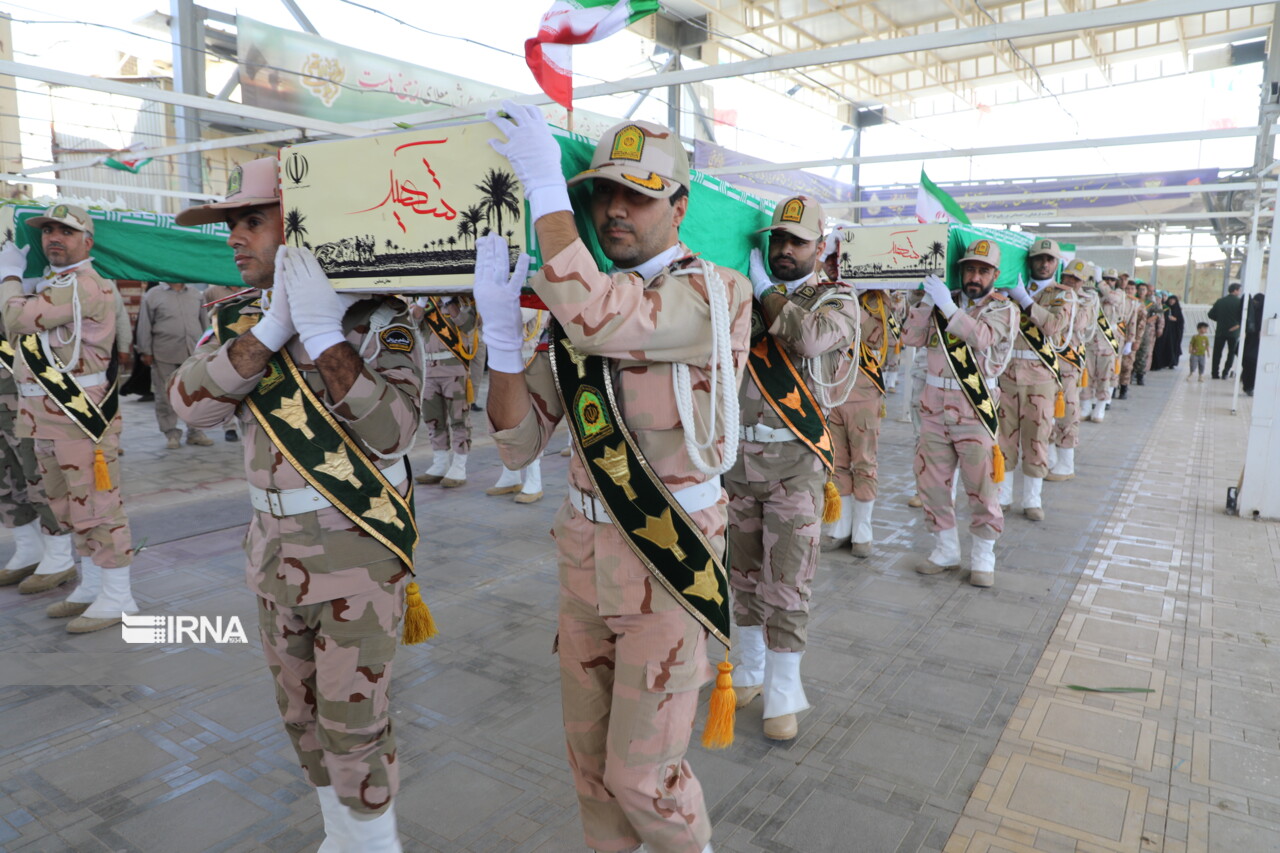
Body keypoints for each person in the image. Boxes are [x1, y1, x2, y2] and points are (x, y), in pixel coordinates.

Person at [478, 103, 750, 853]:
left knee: (644, 775)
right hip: (583, 562)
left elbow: (604, 320)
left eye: (640, 194)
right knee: (591, 768)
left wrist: (545, 192)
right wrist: (503, 342)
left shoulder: (714, 294)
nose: (615, 209)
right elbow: (517, 441)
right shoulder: (574, 305)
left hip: (668, 560)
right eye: (602, 193)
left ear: (681, 206)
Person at [170, 158, 423, 851]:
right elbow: (188, 405)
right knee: (302, 718)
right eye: (231, 224)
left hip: (356, 559)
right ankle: (341, 835)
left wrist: (323, 334)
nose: (234, 237)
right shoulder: (236, 319)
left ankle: (376, 843)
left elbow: (394, 431)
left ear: (304, 221)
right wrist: (275, 326)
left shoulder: (378, 319)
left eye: (252, 220)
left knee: (354, 723)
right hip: (272, 557)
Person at [730, 197, 859, 741]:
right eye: (776, 240)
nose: (783, 249)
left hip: (797, 462)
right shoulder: (741, 292)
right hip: (736, 457)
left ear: (820, 247)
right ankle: (750, 670)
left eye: (797, 241)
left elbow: (807, 338)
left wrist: (764, 289)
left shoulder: (839, 300)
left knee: (788, 580)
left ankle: (784, 693)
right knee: (742, 574)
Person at [0, 204, 136, 633]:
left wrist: (8, 275)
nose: (53, 237)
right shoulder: (56, 284)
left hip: (80, 417)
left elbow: (14, 317)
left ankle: (118, 595)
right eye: (48, 231)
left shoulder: (85, 285)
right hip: (45, 417)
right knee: (65, 505)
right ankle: (93, 583)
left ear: (87, 241)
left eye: (66, 231)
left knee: (97, 505)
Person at [902, 240, 1016, 587]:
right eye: (969, 268)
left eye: (983, 270)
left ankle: (983, 555)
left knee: (981, 485)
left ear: (995, 275)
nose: (975, 276)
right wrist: (924, 300)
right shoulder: (940, 300)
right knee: (932, 482)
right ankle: (945, 549)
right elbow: (910, 337)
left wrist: (949, 307)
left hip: (974, 408)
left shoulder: (1003, 309)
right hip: (934, 406)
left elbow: (981, 338)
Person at [995, 238, 1072, 522]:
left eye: (1049, 259)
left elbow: (1053, 326)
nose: (1043, 263)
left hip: (1040, 378)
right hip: (1007, 375)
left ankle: (1032, 499)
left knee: (1037, 438)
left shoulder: (1063, 295)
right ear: (1030, 262)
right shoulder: (1008, 290)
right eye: (1038, 258)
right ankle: (1003, 495)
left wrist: (1024, 299)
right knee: (1004, 437)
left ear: (1056, 264)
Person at [0, 310, 77, 592]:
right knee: (4, 481)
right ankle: (28, 548)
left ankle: (58, 556)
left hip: (22, 395)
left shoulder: (19, 280)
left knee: (37, 477)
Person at [135, 281, 212, 449]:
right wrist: (145, 351)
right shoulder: (153, 295)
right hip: (164, 352)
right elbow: (144, 324)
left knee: (195, 394)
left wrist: (209, 347)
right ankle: (171, 433)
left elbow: (205, 323)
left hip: (193, 353)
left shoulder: (196, 294)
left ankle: (196, 431)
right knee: (165, 395)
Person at [409, 295, 476, 487]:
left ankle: (459, 466)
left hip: (454, 368)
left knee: (459, 418)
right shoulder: (421, 302)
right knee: (433, 419)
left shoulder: (463, 301)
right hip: (428, 369)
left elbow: (467, 325)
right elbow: (413, 320)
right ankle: (440, 463)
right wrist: (422, 301)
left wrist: (449, 301)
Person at [1046, 259, 1097, 482]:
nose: (1070, 281)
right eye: (1067, 277)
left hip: (1068, 363)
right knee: (1045, 413)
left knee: (1067, 411)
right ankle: (1049, 458)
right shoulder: (1052, 293)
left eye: (1076, 279)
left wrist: (1068, 300)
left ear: (1083, 282)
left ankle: (1066, 464)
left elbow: (1076, 325)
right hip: (1048, 361)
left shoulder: (1086, 301)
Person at [199, 283, 248, 441]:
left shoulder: (252, 288)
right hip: (223, 347)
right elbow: (206, 319)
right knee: (227, 386)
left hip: (248, 345)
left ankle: (248, 424)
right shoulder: (212, 292)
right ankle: (230, 427)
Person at [1084, 269, 1124, 423]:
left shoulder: (1119, 293)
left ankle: (1100, 406)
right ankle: (1086, 406)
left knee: (1105, 376)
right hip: (1090, 341)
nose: (1109, 282)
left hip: (1107, 342)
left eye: (1112, 280)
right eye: (1106, 278)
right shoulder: (1094, 294)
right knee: (1087, 375)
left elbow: (1113, 299)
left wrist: (1101, 282)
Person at [1208, 283, 1244, 379]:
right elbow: (1243, 317)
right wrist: (1237, 325)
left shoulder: (1220, 301)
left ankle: (1214, 373)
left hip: (1220, 331)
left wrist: (1220, 320)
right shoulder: (1240, 302)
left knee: (1217, 352)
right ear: (1235, 290)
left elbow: (1210, 314)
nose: (1240, 292)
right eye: (1239, 290)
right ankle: (1225, 373)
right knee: (1231, 352)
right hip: (1234, 332)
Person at [1116, 279, 1144, 399]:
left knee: (1127, 365)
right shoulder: (1119, 301)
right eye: (1127, 288)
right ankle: (1112, 388)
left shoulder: (1139, 305)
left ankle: (1123, 388)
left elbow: (1141, 324)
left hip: (1130, 339)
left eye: (1132, 289)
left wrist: (1136, 340)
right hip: (1117, 337)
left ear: (1135, 291)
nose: (1129, 291)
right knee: (1115, 364)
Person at [1152, 294, 1184, 370]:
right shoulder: (1164, 308)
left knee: (1172, 347)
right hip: (1164, 331)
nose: (1172, 301)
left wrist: (1175, 319)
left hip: (1173, 334)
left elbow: (1181, 321)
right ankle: (1160, 363)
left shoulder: (1177, 310)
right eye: (1170, 300)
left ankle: (1171, 362)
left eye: (1173, 300)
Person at [1241, 292, 1265, 396]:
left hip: (1249, 344)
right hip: (1255, 345)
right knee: (1252, 364)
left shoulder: (1251, 312)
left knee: (1249, 363)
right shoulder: (1262, 313)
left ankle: (1248, 385)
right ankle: (1249, 386)